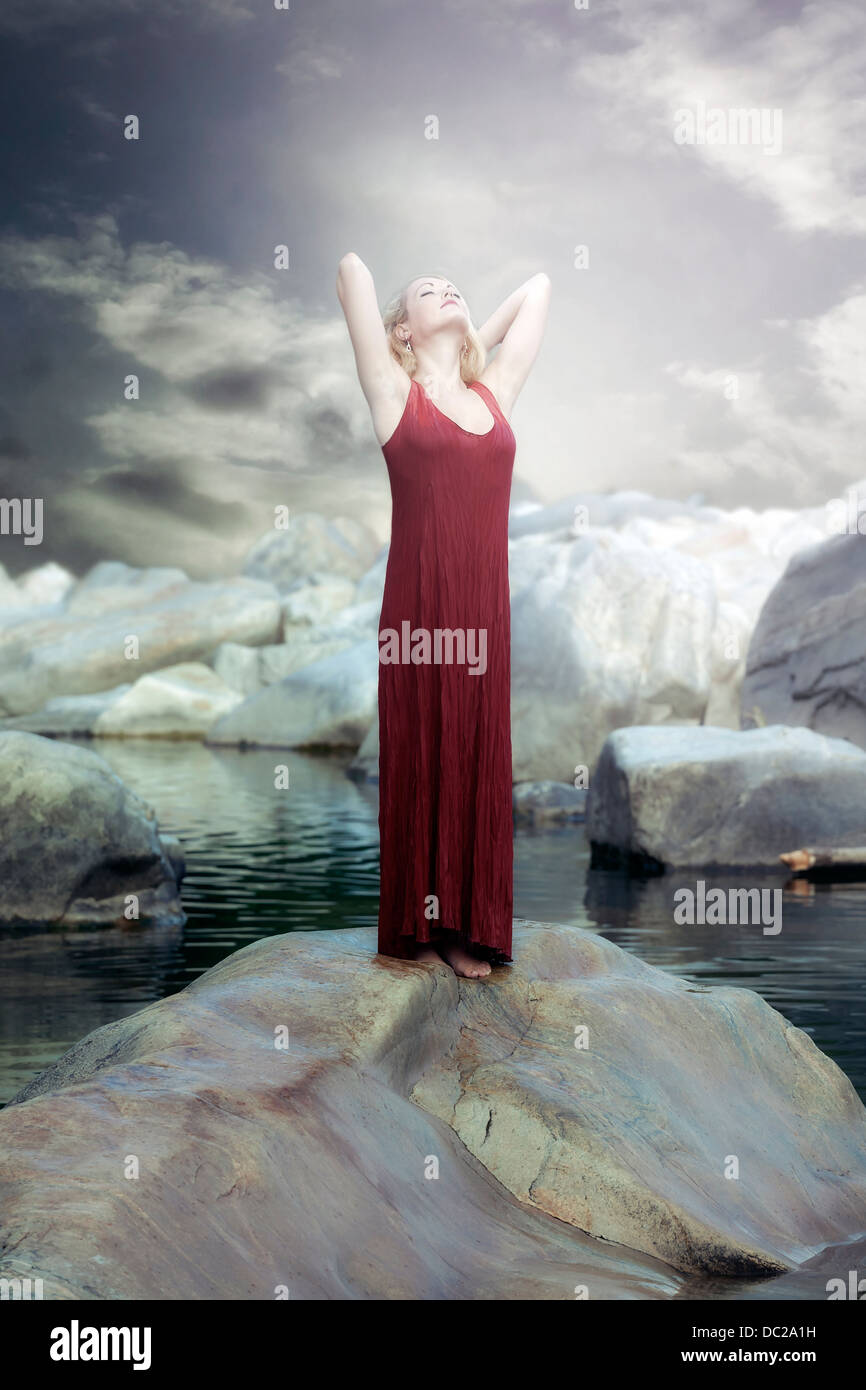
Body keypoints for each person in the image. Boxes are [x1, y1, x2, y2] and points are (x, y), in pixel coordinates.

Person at [336, 256, 550, 977]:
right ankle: (425, 922)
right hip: (420, 609)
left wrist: (465, 341)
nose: (448, 288)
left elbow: (538, 289)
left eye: (453, 285)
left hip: (483, 608)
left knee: (476, 751)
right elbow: (351, 271)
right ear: (400, 327)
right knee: (426, 748)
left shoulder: (494, 395)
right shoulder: (393, 393)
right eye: (429, 291)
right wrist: (416, 341)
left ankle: (470, 923)